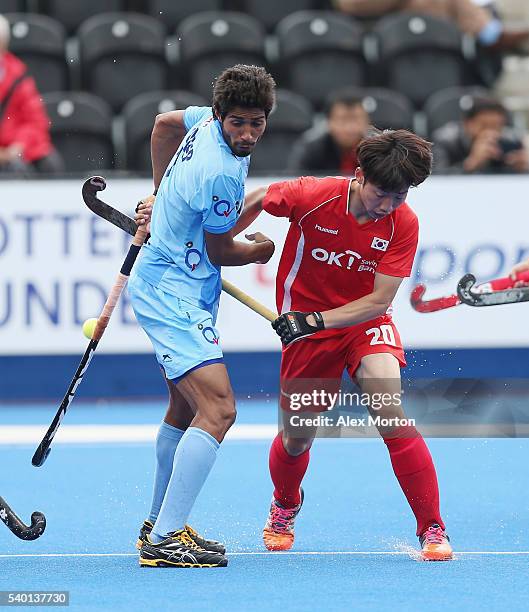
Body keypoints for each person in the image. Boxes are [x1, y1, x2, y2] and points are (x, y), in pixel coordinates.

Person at [235, 128, 453, 561]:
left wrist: (313, 320)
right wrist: (220, 242)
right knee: (296, 439)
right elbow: (258, 199)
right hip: (309, 336)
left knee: (391, 412)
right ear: (358, 175)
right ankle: (285, 503)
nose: (388, 205)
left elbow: (379, 301)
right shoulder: (312, 195)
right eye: (382, 194)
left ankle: (432, 527)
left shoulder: (402, 224)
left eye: (401, 195)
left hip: (361, 324)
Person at [129, 64, 276, 568]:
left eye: (257, 123)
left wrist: (158, 193)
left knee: (186, 408)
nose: (247, 134)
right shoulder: (219, 175)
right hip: (174, 294)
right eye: (237, 123)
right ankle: (166, 540)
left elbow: (162, 124)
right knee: (220, 410)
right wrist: (258, 251)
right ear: (219, 116)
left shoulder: (199, 123)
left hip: (177, 284)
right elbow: (219, 251)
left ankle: (157, 524)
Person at [0, 14, 63, 174]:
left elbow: (36, 121)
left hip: (12, 150)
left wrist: (19, 146)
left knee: (48, 162)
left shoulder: (17, 75)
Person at [332, 0, 529, 51]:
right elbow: (349, 4)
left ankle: (492, 34)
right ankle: (492, 34)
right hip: (389, 38)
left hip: (431, 36)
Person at [433, 97, 529, 173]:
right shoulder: (444, 141)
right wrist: (470, 164)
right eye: (484, 125)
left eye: (497, 126)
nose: (491, 132)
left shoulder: (511, 141)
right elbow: (434, 178)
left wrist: (522, 167)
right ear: (467, 124)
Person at [288, 88, 370, 175]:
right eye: (343, 120)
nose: (349, 128)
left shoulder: (378, 149)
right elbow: (297, 182)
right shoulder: (312, 149)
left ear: (367, 120)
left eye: (356, 119)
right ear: (329, 121)